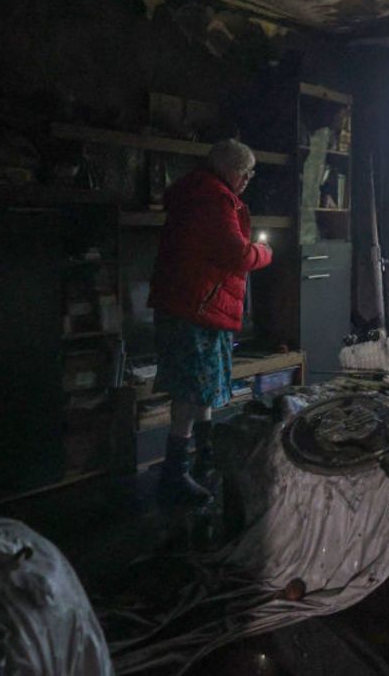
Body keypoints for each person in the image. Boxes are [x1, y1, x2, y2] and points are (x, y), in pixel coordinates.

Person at [147, 139, 273, 505]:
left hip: (195, 306)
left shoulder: (200, 194)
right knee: (191, 390)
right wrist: (265, 253)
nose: (248, 179)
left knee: (202, 387)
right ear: (230, 170)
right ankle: (175, 473)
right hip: (195, 309)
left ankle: (204, 458)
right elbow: (237, 254)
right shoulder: (212, 200)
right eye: (246, 172)